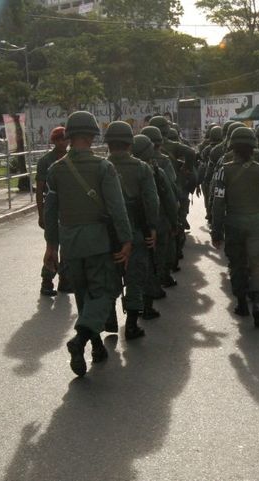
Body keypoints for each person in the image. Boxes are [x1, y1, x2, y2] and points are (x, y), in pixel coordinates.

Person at [43, 111, 133, 377]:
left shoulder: (55, 170)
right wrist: (126, 239)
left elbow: (50, 212)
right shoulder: (104, 167)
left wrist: (51, 246)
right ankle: (81, 340)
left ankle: (94, 348)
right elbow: (117, 209)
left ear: (69, 137)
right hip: (99, 243)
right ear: (93, 136)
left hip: (70, 244)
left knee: (83, 296)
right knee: (106, 291)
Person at [211, 127, 259, 327]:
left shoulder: (223, 171)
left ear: (232, 147)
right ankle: (258, 301)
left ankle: (242, 302)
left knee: (237, 264)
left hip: (234, 223)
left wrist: (216, 231)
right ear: (253, 148)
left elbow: (217, 203)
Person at [103, 121, 160, 340]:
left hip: (108, 234)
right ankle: (132, 324)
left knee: (110, 277)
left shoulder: (102, 166)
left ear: (108, 143)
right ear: (129, 143)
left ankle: (109, 320)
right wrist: (152, 228)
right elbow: (151, 200)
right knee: (135, 277)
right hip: (136, 230)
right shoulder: (142, 168)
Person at [132, 134, 177, 319]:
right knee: (152, 263)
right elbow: (169, 197)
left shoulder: (114, 168)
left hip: (127, 228)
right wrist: (175, 222)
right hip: (154, 225)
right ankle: (147, 304)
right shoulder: (155, 170)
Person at [36, 126, 69, 296]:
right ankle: (47, 281)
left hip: (69, 209)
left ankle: (64, 279)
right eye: (60, 139)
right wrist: (41, 214)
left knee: (68, 247)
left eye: (66, 138)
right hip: (51, 208)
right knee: (52, 246)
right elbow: (40, 189)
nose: (64, 142)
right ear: (54, 141)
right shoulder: (45, 161)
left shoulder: (71, 159)